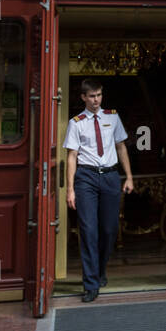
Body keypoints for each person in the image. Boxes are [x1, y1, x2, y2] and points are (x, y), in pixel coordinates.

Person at [64, 80, 134, 302]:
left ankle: (100, 268)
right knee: (88, 231)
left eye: (99, 95)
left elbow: (121, 147)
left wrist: (129, 177)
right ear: (83, 97)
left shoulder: (112, 117)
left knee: (109, 229)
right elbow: (72, 156)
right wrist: (70, 189)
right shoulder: (76, 123)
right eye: (92, 96)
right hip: (86, 178)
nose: (96, 100)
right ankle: (91, 283)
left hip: (111, 177)